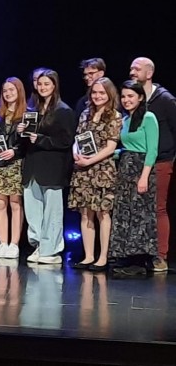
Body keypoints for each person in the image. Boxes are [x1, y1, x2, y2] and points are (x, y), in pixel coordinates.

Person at [19, 69, 76, 265]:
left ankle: (51, 249)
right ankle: (38, 245)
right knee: (33, 209)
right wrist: (22, 132)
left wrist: (41, 139)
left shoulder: (63, 110)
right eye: (40, 84)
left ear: (54, 86)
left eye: (47, 84)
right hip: (33, 166)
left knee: (52, 210)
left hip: (53, 167)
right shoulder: (33, 110)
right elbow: (27, 141)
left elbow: (66, 141)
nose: (42, 87)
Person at [69, 77, 122, 272]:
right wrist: (75, 152)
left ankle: (102, 257)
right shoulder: (85, 113)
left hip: (102, 170)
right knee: (85, 214)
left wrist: (89, 161)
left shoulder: (114, 116)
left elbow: (110, 147)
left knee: (102, 213)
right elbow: (78, 138)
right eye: (95, 92)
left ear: (109, 94)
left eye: (102, 92)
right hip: (83, 170)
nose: (98, 96)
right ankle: (88, 255)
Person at [129, 57, 176, 273]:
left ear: (149, 74)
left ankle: (160, 256)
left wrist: (169, 157)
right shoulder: (132, 99)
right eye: (131, 69)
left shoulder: (164, 99)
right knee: (138, 210)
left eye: (137, 69)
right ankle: (139, 252)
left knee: (158, 208)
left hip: (160, 160)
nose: (132, 72)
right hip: (135, 162)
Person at [110, 80, 159, 276]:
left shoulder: (149, 117)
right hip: (125, 169)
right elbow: (126, 146)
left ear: (140, 97)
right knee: (125, 213)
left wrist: (144, 177)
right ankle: (125, 256)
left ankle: (139, 260)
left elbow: (152, 150)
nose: (126, 100)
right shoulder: (125, 119)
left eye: (131, 96)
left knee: (140, 215)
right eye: (124, 96)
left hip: (141, 170)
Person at [0, 77, 27, 259]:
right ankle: (3, 243)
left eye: (12, 90)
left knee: (15, 203)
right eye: (5, 91)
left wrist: (15, 151)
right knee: (0, 203)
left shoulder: (27, 114)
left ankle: (14, 244)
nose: (8, 93)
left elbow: (28, 144)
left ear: (19, 91)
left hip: (15, 164)